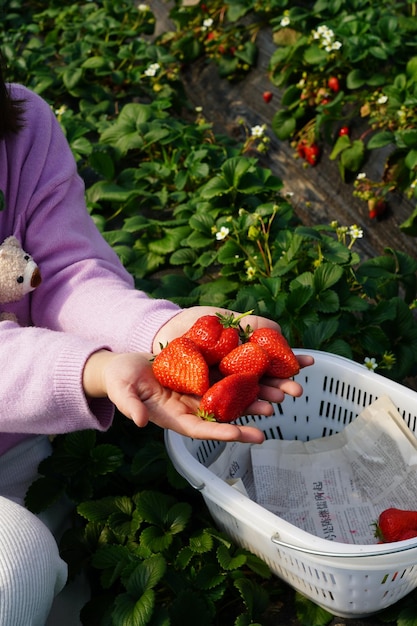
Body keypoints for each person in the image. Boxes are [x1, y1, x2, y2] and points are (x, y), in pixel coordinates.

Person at [0, 55, 314, 625]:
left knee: (49, 580)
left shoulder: (19, 125)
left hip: (17, 443)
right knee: (18, 561)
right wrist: (92, 370)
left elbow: (66, 272)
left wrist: (164, 335)